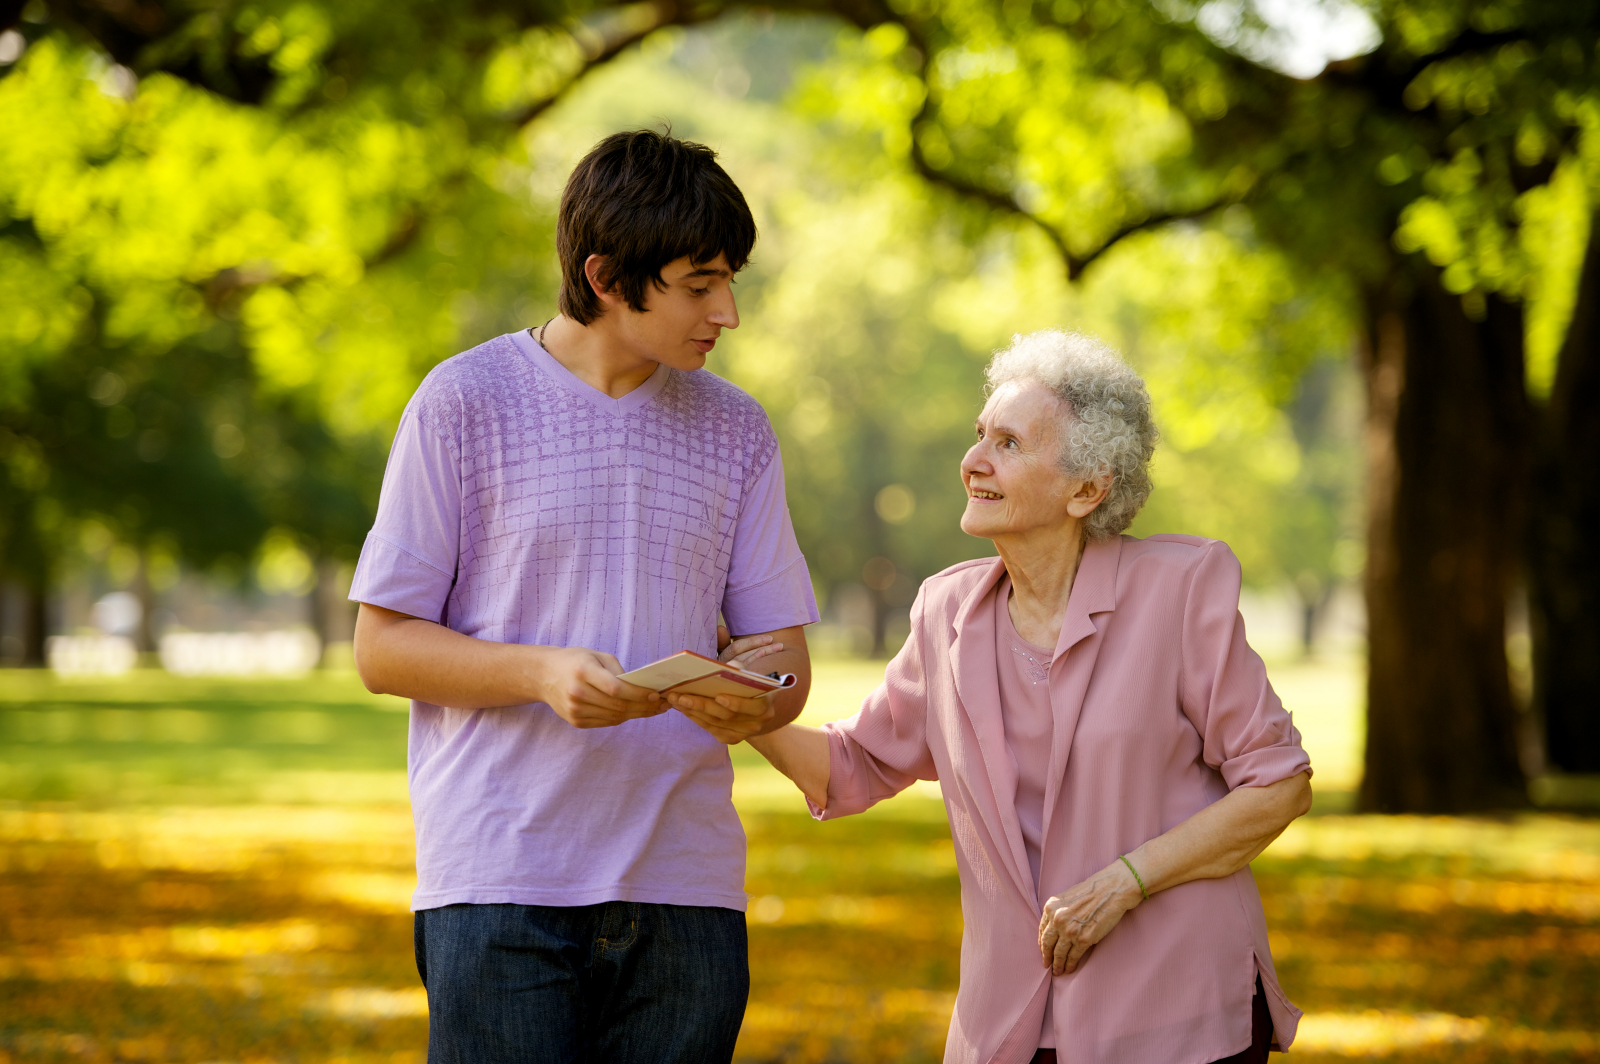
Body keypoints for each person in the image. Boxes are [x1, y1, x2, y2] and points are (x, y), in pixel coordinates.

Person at [348, 129, 819, 1064]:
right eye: (699, 285)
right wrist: (540, 673)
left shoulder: (739, 430)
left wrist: (748, 694)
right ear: (607, 277)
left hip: (687, 895)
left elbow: (785, 665)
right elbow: (382, 647)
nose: (726, 312)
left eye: (731, 282)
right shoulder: (461, 403)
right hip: (499, 884)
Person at [728, 330, 1313, 1064]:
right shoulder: (944, 612)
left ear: (1087, 488)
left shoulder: (1179, 590)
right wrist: (739, 702)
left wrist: (1127, 880)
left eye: (1008, 444)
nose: (973, 462)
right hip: (1007, 1023)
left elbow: (1278, 784)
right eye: (980, 436)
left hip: (1176, 1012)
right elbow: (848, 766)